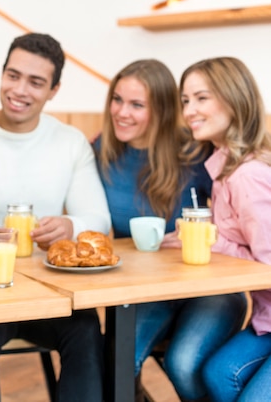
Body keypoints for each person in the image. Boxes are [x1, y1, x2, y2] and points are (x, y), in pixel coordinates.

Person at [0, 33, 111, 402]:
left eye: (36, 82)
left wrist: (70, 225)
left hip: (51, 294)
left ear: (54, 90)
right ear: (2, 74)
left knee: (87, 329)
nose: (20, 89)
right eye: (13, 76)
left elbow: (99, 219)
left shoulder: (71, 142)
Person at [93, 59, 247, 402]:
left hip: (210, 288)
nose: (122, 112)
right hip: (147, 291)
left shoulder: (197, 151)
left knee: (183, 363)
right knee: (116, 359)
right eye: (117, 100)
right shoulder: (102, 150)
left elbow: (244, 217)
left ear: (162, 110)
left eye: (137, 105)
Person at [170, 57, 271, 402]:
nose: (189, 110)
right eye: (185, 100)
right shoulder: (225, 167)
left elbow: (268, 264)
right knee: (217, 374)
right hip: (266, 318)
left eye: (201, 98)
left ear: (233, 99)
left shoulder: (248, 176)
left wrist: (211, 241)